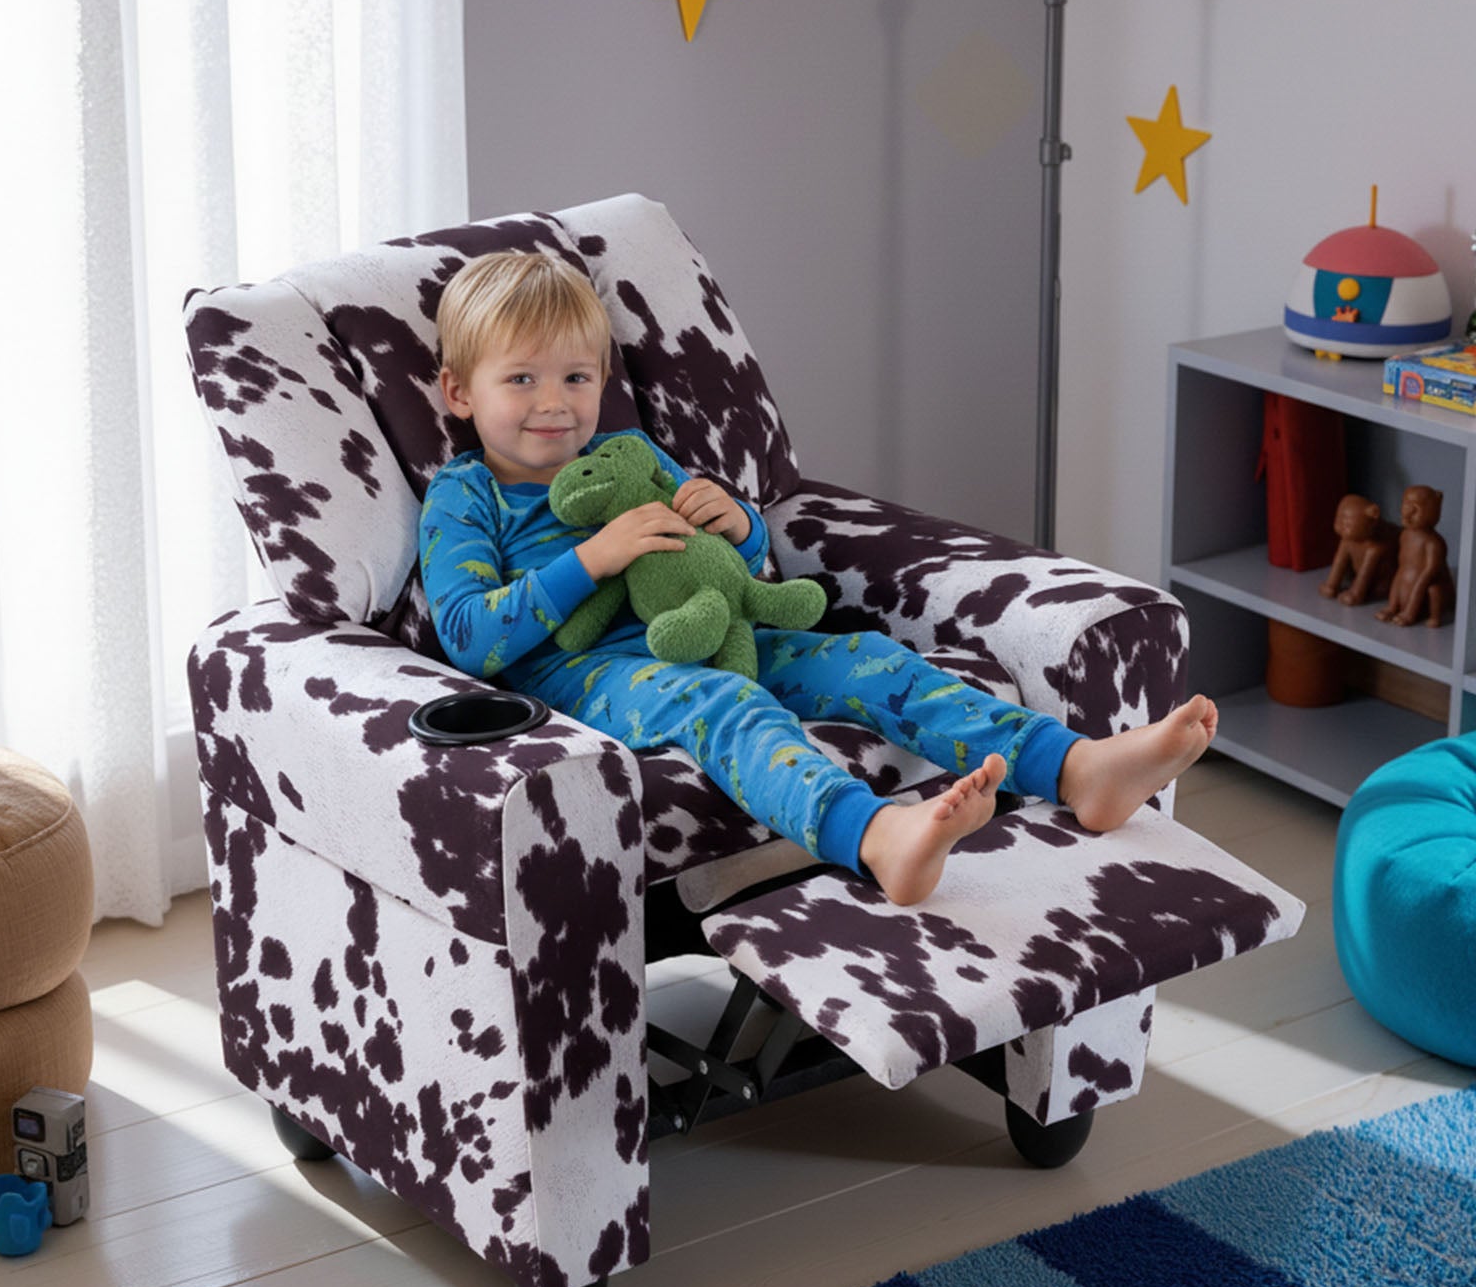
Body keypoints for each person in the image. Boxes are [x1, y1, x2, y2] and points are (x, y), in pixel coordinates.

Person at [419, 250, 1217, 908]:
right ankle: (875, 837)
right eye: (521, 380)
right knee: (725, 703)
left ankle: (1080, 769)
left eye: (576, 379)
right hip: (583, 674)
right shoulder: (467, 494)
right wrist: (592, 558)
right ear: (459, 392)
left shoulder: (634, 457)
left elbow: (730, 564)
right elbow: (468, 639)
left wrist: (739, 524)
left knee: (864, 658)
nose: (554, 404)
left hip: (722, 633)